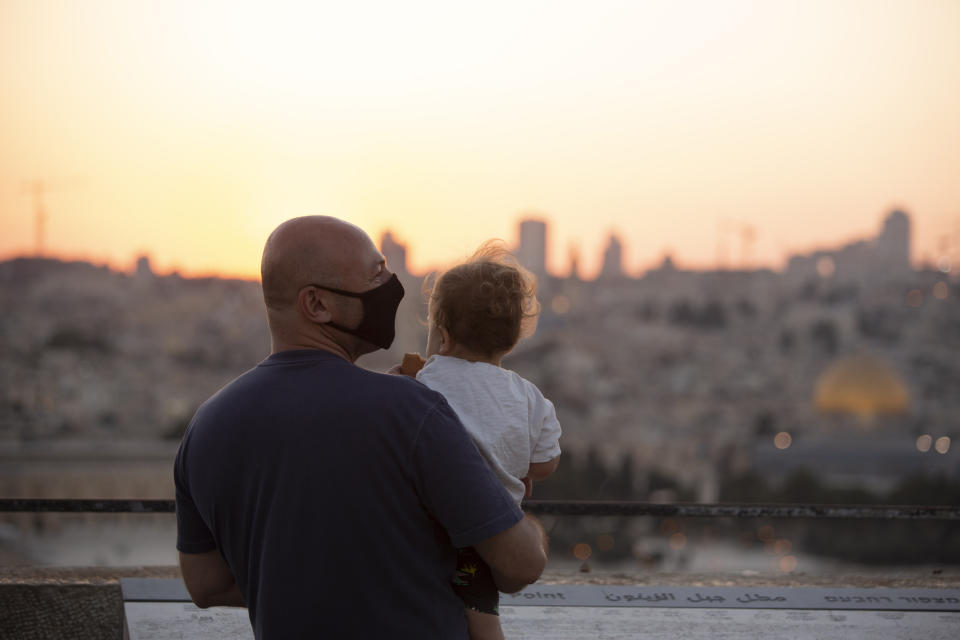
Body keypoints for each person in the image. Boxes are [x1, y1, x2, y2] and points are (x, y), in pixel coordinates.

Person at [174, 216, 547, 639]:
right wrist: (503, 500)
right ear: (316, 304)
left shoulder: (206, 427)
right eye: (376, 276)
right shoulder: (411, 410)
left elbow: (206, 584)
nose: (392, 287)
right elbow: (520, 566)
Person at [399, 241, 561, 640]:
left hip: (423, 532)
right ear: (511, 340)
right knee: (483, 617)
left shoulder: (424, 381)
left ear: (444, 336)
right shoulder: (528, 397)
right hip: (493, 533)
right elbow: (545, 464)